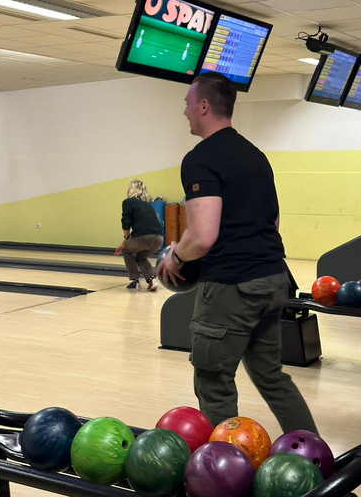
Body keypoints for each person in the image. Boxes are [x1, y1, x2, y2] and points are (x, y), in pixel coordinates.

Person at [157, 71, 317, 433]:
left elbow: (203, 236)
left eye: (187, 103)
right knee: (271, 376)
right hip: (273, 278)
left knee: (214, 382)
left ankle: (221, 465)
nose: (184, 111)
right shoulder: (255, 155)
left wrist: (175, 258)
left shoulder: (200, 158)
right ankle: (312, 453)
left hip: (232, 286)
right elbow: (273, 222)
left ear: (204, 106)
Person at [114, 179, 163, 292]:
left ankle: (134, 281)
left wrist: (126, 240)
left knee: (126, 251)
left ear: (132, 189)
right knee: (140, 257)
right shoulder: (147, 205)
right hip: (158, 238)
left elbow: (126, 222)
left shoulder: (128, 202)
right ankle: (152, 280)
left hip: (143, 237)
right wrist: (125, 242)